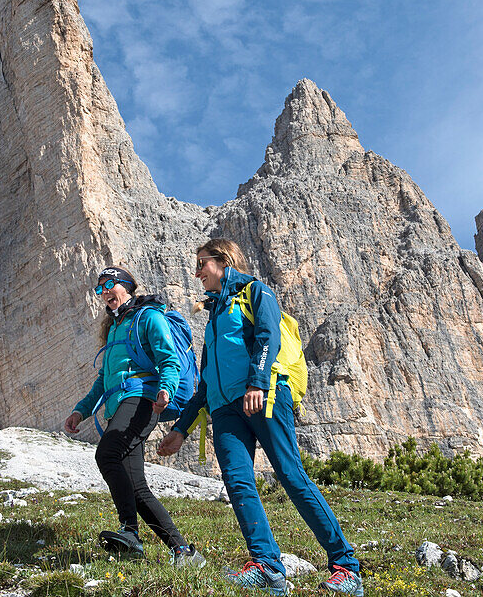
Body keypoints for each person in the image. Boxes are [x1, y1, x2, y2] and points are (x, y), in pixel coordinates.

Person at [158, 240, 363, 596]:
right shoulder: (214, 315)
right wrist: (180, 429)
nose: (197, 272)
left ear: (222, 261)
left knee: (291, 475)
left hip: (264, 396)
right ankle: (267, 566)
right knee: (238, 483)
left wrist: (257, 382)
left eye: (201, 263)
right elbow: (205, 382)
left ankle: (346, 566)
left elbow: (267, 336)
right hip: (224, 410)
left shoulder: (255, 291)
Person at [65, 266, 204, 567]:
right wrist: (81, 410)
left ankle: (130, 531)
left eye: (109, 284)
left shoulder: (148, 317)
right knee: (136, 486)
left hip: (142, 398)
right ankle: (185, 553)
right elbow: (103, 381)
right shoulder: (114, 329)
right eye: (99, 288)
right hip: (120, 405)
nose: (104, 292)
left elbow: (168, 358)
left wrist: (165, 389)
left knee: (107, 455)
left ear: (127, 287)